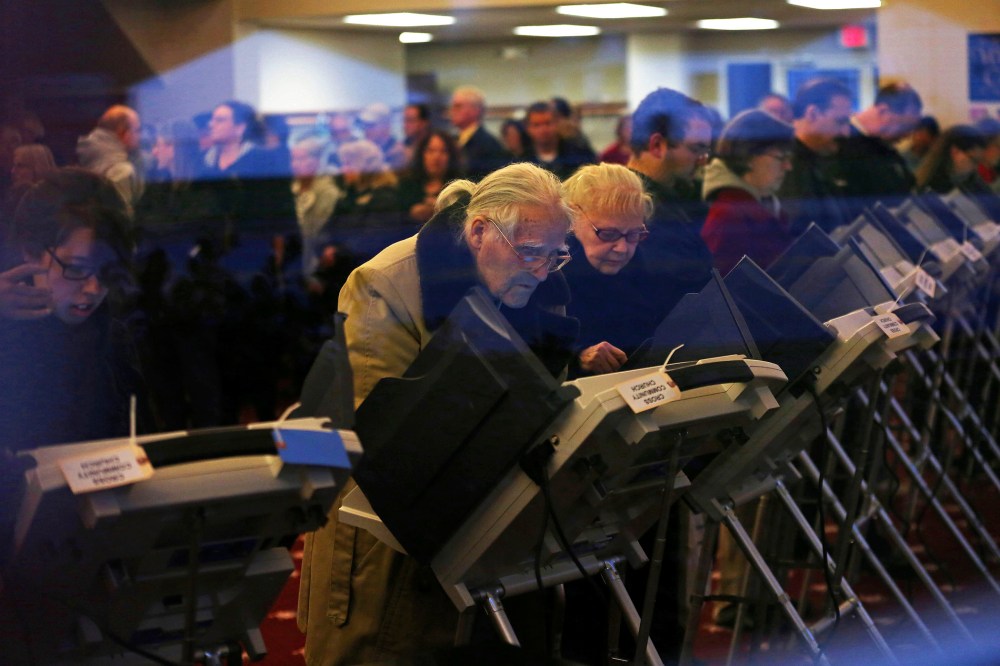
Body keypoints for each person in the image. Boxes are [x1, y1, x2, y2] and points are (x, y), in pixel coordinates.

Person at [297, 162, 577, 666]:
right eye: (531, 253)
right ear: (478, 230)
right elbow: (380, 434)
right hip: (386, 542)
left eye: (555, 256)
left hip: (484, 536)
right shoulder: (388, 282)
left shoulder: (539, 287)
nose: (541, 271)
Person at [0, 167, 139, 453]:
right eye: (76, 268)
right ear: (30, 251)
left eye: (107, 270)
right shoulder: (9, 339)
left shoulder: (114, 337)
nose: (93, 288)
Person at [560, 162, 657, 377]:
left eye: (634, 234)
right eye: (608, 234)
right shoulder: (549, 272)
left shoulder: (641, 266)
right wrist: (578, 358)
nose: (622, 248)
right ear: (572, 218)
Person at [627, 87, 714, 315]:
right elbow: (680, 291)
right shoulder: (633, 207)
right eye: (696, 149)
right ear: (657, 145)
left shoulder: (673, 197)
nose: (702, 161)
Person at [701, 109, 795, 275]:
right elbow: (730, 291)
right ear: (749, 157)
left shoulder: (762, 205)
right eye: (781, 158)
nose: (788, 167)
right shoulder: (729, 216)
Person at [833, 82, 923, 220]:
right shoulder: (840, 144)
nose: (906, 136)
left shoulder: (886, 147)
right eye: (904, 127)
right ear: (883, 111)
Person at [778, 77, 854, 235]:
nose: (846, 133)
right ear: (812, 114)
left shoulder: (820, 157)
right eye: (840, 122)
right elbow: (798, 239)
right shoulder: (784, 165)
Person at [324, 139, 402, 262]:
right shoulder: (349, 192)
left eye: (349, 164)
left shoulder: (384, 196)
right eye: (343, 164)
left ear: (366, 166)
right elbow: (329, 227)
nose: (343, 169)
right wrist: (328, 247)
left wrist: (338, 252)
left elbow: (372, 240)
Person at [76, 104, 144, 214]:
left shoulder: (88, 154)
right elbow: (120, 219)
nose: (140, 136)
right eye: (137, 130)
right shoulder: (122, 170)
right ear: (123, 132)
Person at [290, 134, 341, 277]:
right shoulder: (290, 188)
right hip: (293, 260)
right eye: (293, 159)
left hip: (317, 263)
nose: (295, 164)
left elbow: (318, 233)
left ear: (316, 161)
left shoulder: (328, 192)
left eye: (301, 158)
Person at [397, 128, 461, 226]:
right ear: (422, 154)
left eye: (443, 151)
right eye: (431, 151)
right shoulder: (406, 185)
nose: (436, 157)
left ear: (451, 156)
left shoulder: (459, 188)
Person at [449, 85, 510, 180]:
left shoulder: (489, 144)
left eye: (458, 106)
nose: (452, 111)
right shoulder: (453, 140)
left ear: (475, 110)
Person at [524, 101, 597, 180]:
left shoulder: (581, 154)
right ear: (528, 128)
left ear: (557, 123)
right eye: (537, 125)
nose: (543, 130)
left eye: (547, 123)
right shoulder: (521, 161)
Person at [914, 124, 988, 195]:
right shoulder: (927, 186)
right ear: (955, 151)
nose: (976, 168)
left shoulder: (976, 186)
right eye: (974, 160)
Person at [357, 102, 407, 173]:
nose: (366, 130)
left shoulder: (399, 153)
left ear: (386, 125)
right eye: (365, 125)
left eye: (371, 125)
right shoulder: (368, 150)